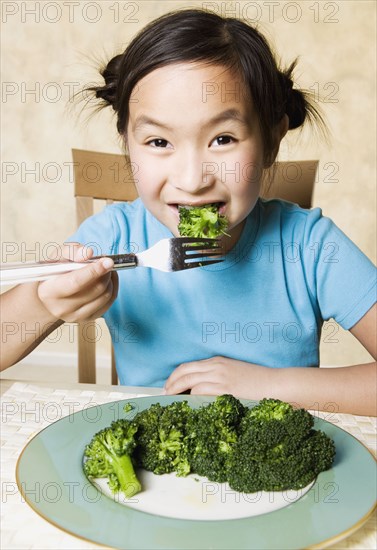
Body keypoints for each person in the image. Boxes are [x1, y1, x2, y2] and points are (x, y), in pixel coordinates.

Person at [1, 9, 376, 415]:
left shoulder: (312, 247)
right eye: (159, 142)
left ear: (272, 140)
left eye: (223, 138)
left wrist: (270, 385)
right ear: (127, 145)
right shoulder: (112, 239)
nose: (193, 178)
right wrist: (43, 302)